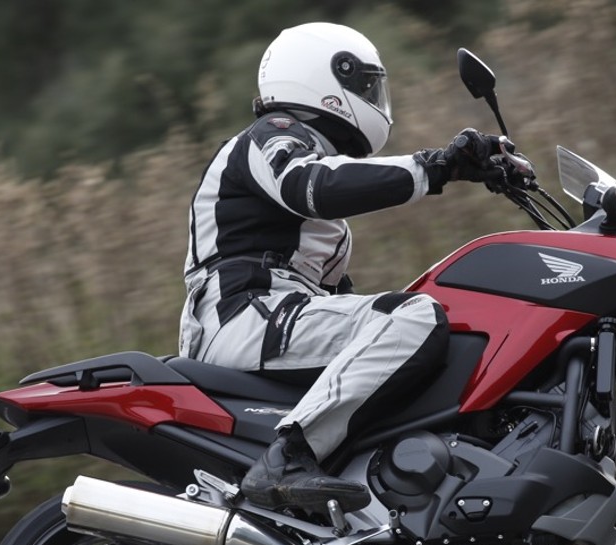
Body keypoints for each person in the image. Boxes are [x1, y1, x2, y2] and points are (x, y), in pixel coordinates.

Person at [179, 21, 499, 514]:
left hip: (272, 318)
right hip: (240, 314)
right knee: (413, 315)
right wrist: (437, 166)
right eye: (364, 85)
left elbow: (335, 292)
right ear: (322, 78)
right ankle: (287, 458)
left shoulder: (309, 181)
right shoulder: (271, 136)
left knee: (424, 322)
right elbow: (312, 185)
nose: (373, 98)